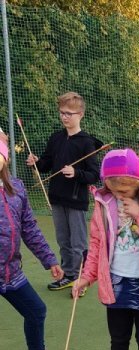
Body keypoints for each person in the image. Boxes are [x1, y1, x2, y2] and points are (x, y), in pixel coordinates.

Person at [72, 149, 139, 350]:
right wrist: (87, 276)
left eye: (125, 188)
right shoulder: (104, 202)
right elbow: (97, 242)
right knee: (118, 338)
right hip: (116, 284)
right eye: (114, 187)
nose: (119, 193)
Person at [0, 131, 72, 350]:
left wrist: (50, 260)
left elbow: (29, 228)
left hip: (10, 271)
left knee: (36, 310)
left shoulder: (16, 188)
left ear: (5, 156)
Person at [26, 92, 101, 292]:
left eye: (69, 113)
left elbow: (94, 174)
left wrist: (76, 172)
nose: (64, 117)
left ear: (80, 114)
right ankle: (69, 275)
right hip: (57, 198)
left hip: (76, 200)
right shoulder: (56, 138)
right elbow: (46, 164)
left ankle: (82, 280)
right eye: (62, 112)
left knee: (78, 243)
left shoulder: (87, 142)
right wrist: (36, 162)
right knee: (63, 240)